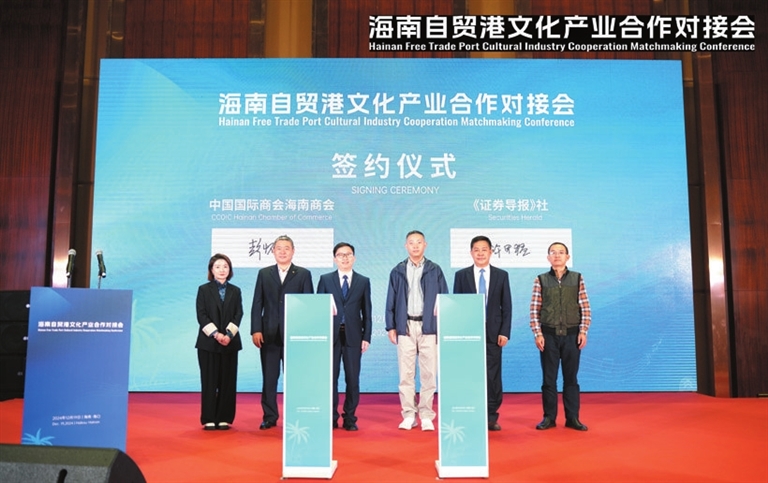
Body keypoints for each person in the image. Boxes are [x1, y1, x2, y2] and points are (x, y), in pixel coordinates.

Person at [385, 230, 448, 431]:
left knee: (429, 373)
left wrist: (442, 325)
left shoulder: (435, 270)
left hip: (429, 326)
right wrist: (391, 326)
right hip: (405, 326)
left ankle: (426, 415)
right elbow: (390, 300)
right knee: (406, 374)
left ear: (425, 245)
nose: (415, 246)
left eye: (419, 242)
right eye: (411, 242)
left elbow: (444, 298)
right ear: (406, 246)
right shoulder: (397, 271)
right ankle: (409, 415)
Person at [251, 235, 313, 429]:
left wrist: (305, 334)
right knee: (269, 379)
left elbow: (308, 306)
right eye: (279, 248)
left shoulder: (303, 274)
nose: (283, 251)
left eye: (287, 248)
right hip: (268, 335)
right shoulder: (264, 273)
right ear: (273, 251)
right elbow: (257, 303)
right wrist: (256, 329)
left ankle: (296, 415)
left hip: (294, 336)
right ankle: (269, 417)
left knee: (295, 380)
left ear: (293, 251)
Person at [530, 242, 592, 431]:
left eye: (561, 252)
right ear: (548, 257)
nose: (557, 255)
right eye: (553, 252)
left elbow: (585, 306)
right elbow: (534, 309)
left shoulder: (577, 278)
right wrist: (538, 333)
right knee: (548, 380)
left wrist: (583, 331)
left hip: (572, 335)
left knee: (571, 378)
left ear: (567, 257)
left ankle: (572, 418)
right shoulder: (540, 279)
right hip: (548, 335)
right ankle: (549, 418)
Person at [453, 235, 512, 431]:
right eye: (476, 250)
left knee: (492, 376)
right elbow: (457, 306)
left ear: (491, 252)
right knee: (470, 374)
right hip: (469, 333)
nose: (480, 253)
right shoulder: (461, 276)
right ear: (471, 252)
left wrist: (504, 332)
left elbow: (507, 306)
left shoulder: (501, 275)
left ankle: (491, 416)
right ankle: (471, 413)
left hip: (494, 334)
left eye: (484, 249)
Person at [317, 242, 372, 431]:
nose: (345, 258)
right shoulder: (325, 279)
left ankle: (350, 418)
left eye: (348, 254)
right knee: (330, 379)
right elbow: (319, 310)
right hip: (331, 336)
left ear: (354, 258)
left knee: (352, 379)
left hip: (354, 337)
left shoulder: (363, 281)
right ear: (335, 259)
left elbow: (367, 312)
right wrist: (321, 336)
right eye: (341, 255)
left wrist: (366, 337)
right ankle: (331, 417)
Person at [195, 253, 243, 430]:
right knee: (209, 381)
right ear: (211, 270)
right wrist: (216, 334)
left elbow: (239, 314)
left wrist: (228, 335)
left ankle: (224, 417)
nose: (222, 270)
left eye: (225, 267)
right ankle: (209, 417)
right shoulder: (203, 290)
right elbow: (201, 315)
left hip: (230, 343)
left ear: (230, 270)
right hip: (208, 343)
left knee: (227, 381)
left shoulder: (235, 291)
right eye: (217, 267)